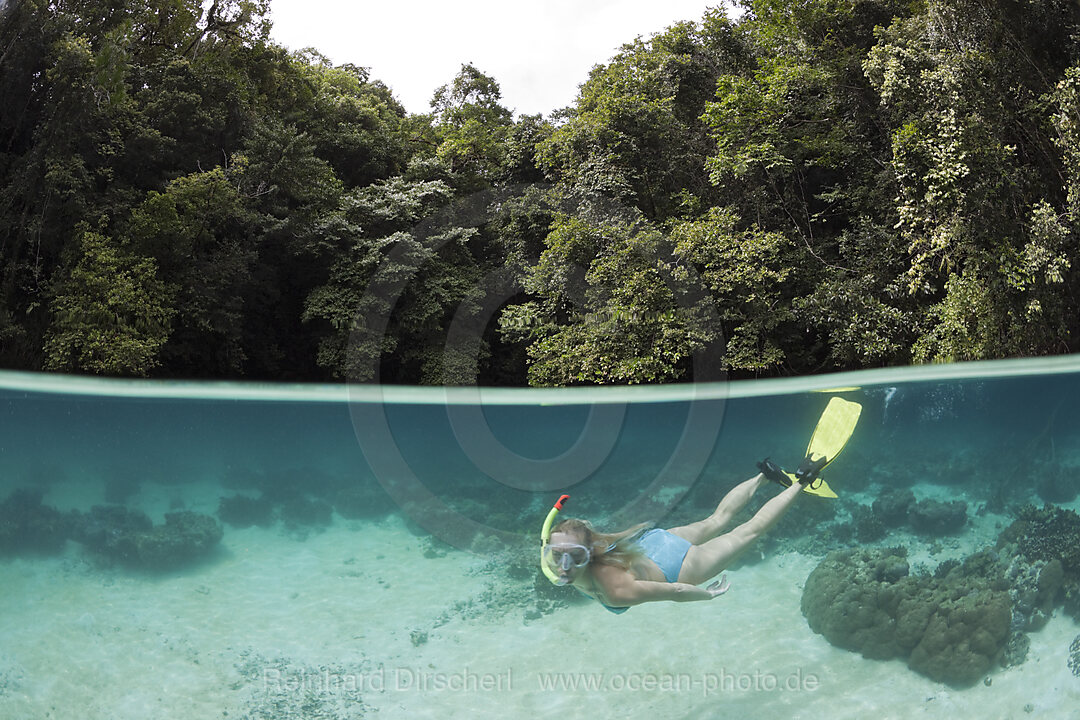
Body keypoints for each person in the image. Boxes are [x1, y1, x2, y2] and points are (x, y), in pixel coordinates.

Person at [540, 459, 820, 612]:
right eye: (557, 555)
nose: (564, 566)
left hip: (675, 567)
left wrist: (707, 595)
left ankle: (802, 481)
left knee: (750, 530)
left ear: (589, 553)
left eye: (575, 557)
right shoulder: (571, 553)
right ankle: (764, 476)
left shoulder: (614, 591)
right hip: (653, 543)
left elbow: (674, 591)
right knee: (717, 519)